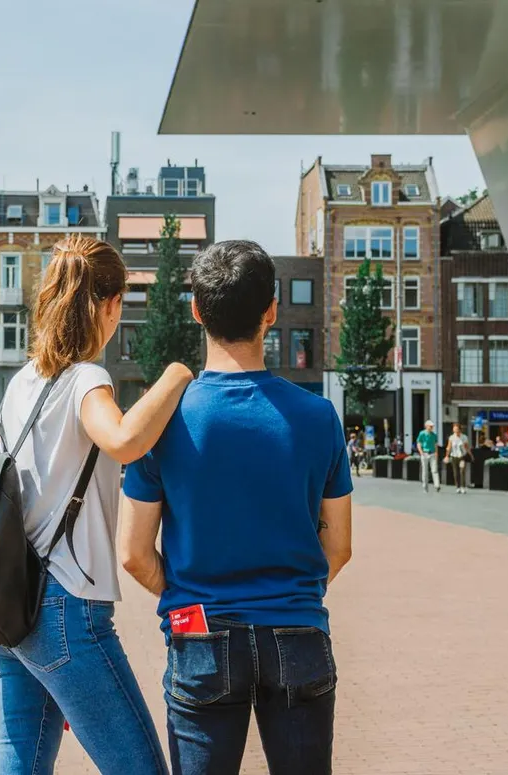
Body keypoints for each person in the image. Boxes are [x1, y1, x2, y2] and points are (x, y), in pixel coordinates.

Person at [120, 240, 351, 774]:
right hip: (297, 628)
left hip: (199, 629)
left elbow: (134, 554)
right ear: (271, 311)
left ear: (196, 310)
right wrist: (290, 595)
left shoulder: (161, 423)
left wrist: (185, 594)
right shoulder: (318, 416)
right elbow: (338, 546)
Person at [0, 235, 186, 775]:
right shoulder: (86, 379)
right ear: (110, 305)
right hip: (66, 604)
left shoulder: (21, 382)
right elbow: (122, 440)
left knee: (21, 762)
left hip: (10, 600)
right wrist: (176, 375)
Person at [416, 419, 440, 493]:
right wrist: (421, 452)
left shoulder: (434, 435)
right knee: (425, 471)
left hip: (432, 453)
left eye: (432, 426)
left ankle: (437, 485)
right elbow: (419, 443)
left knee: (434, 470)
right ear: (426, 426)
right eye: (430, 426)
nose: (431, 427)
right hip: (425, 453)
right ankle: (425, 486)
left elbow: (435, 444)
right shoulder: (422, 433)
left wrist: (436, 453)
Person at [446, 423, 469, 493]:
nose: (455, 430)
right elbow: (449, 447)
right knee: (455, 473)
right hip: (454, 456)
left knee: (462, 471)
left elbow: (467, 447)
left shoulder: (464, 437)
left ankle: (463, 487)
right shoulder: (451, 437)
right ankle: (458, 487)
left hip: (462, 456)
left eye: (456, 429)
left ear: (459, 429)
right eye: (454, 429)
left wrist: (470, 454)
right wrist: (447, 456)